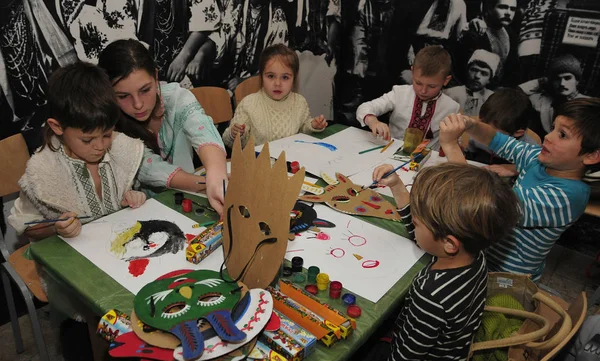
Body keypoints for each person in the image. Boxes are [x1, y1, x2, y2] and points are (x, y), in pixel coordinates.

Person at [369, 162, 520, 360]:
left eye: (416, 222)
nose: (413, 224)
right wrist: (397, 186)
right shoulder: (475, 255)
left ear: (449, 243)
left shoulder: (430, 294)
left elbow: (407, 355)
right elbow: (425, 237)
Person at [439, 98, 600, 281]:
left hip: (507, 276)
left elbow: (485, 201)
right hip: (486, 254)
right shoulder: (537, 158)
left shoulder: (569, 196)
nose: (548, 136)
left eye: (562, 135)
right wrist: (471, 125)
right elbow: (496, 139)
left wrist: (451, 146)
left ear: (591, 155)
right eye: (553, 127)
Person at [8, 62, 146, 240]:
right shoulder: (42, 171)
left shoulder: (122, 151)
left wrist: (133, 198)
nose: (100, 146)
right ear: (57, 127)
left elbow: (126, 197)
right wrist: (56, 227)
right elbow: (26, 226)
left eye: (106, 135)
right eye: (87, 140)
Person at [97, 39, 229, 216]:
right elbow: (152, 169)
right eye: (123, 96)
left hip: (188, 197)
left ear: (156, 77)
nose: (138, 104)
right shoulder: (110, 131)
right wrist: (209, 183)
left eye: (145, 90)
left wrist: (217, 173)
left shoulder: (177, 98)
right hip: (140, 212)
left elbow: (202, 129)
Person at [222, 44, 327, 148]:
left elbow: (303, 130)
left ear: (294, 79)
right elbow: (229, 142)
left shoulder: (299, 102)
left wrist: (313, 125)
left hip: (292, 159)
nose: (277, 83)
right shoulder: (248, 104)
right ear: (261, 76)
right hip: (259, 162)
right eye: (271, 76)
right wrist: (234, 134)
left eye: (285, 77)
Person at [356, 45, 459, 150]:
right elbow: (365, 107)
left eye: (432, 86)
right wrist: (373, 121)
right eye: (418, 83)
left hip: (427, 161)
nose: (423, 91)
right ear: (412, 72)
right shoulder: (400, 93)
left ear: (446, 80)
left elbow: (454, 143)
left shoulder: (451, 107)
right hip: (390, 151)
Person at [465, 87, 538, 167]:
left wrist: (514, 169)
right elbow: (470, 153)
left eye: (491, 131)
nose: (483, 130)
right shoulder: (478, 132)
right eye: (482, 123)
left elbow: (538, 169)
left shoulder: (530, 149)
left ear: (518, 133)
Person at [520, 54, 590, 136]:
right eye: (557, 79)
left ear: (577, 81)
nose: (562, 83)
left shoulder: (588, 103)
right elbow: (516, 92)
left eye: (567, 78)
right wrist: (541, 81)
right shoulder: (540, 99)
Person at [459, 0, 519, 86]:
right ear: (489, 9)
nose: (508, 13)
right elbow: (463, 68)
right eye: (502, 7)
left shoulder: (510, 34)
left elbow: (511, 70)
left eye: (512, 9)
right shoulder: (476, 31)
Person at [444, 49, 499, 116]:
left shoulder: (492, 99)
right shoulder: (449, 93)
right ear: (467, 71)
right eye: (474, 70)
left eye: (484, 73)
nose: (477, 76)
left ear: (489, 79)